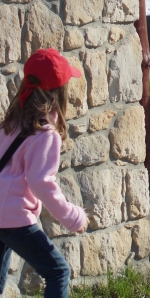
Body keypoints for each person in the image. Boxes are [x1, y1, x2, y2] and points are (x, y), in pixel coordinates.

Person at [0, 49, 87, 298]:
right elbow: (40, 182)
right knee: (58, 272)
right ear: (59, 93)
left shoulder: (11, 124)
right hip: (14, 217)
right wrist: (73, 217)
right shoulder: (45, 134)